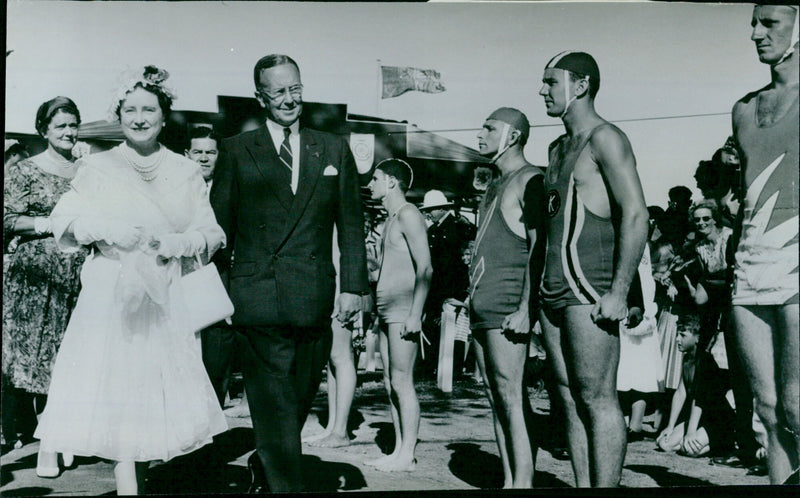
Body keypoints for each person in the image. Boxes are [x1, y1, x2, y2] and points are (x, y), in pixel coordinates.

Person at [33, 66, 228, 495]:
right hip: (111, 291)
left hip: (164, 293)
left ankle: (139, 471)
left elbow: (213, 233)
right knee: (116, 381)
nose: (140, 118)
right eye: (131, 109)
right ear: (119, 114)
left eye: (149, 109)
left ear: (164, 116)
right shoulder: (97, 166)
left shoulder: (185, 170)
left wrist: (178, 243)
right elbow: (64, 219)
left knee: (154, 388)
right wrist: (103, 228)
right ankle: (126, 477)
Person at [210, 54, 369, 492]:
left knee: (296, 397)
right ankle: (285, 485)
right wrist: (220, 296)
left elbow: (351, 223)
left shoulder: (332, 147)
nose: (289, 99)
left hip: (314, 295)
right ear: (260, 98)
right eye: (278, 91)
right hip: (256, 297)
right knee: (271, 399)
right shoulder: (237, 150)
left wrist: (354, 287)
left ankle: (267, 461)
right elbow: (220, 232)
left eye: (295, 89)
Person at [537, 51, 649, 487]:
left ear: (580, 86)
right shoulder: (555, 147)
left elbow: (637, 215)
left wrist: (621, 290)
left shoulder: (606, 138)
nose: (542, 90)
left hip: (589, 288)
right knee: (565, 399)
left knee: (598, 399)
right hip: (552, 290)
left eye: (551, 82)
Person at [729, 4, 799, 484]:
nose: (755, 33)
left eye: (769, 22)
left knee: (797, 404)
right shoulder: (743, 108)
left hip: (798, 263)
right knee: (769, 410)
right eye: (753, 22)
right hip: (749, 266)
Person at [3, 97, 87, 470]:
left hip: (82, 274)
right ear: (43, 130)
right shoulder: (24, 170)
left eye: (73, 125)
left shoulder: (87, 169)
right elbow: (6, 218)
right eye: (60, 126)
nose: (68, 133)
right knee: (46, 360)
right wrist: (45, 225)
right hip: (38, 277)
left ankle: (66, 433)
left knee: (77, 358)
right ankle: (49, 443)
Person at [470, 107, 545, 488]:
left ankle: (524, 482)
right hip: (481, 306)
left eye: (490, 128)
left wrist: (525, 308)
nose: (480, 133)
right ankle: (509, 479)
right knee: (494, 396)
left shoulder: (530, 179)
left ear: (513, 136)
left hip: (507, 307)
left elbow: (538, 249)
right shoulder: (494, 184)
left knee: (511, 396)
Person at [365, 158, 432, 472]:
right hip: (386, 309)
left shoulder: (408, 214)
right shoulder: (389, 219)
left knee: (403, 382)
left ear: (391, 182)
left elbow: (426, 268)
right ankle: (397, 450)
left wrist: (415, 313)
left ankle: (408, 454)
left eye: (375, 178)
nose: (370, 185)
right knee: (390, 381)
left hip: (404, 310)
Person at [656, 314, 736, 458]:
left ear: (698, 337)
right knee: (665, 443)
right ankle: (703, 439)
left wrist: (691, 432)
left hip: (718, 420)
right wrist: (670, 426)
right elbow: (681, 393)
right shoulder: (687, 359)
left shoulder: (705, 362)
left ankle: (725, 442)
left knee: (689, 450)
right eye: (677, 335)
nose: (677, 339)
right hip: (701, 418)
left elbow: (699, 399)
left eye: (682, 335)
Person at [419, 189, 475, 377]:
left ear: (443, 208)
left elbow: (457, 266)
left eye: (432, 209)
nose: (428, 213)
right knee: (434, 329)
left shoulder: (459, 227)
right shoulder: (433, 231)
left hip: (452, 290)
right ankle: (434, 367)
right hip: (436, 290)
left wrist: (456, 294)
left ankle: (453, 370)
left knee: (454, 332)